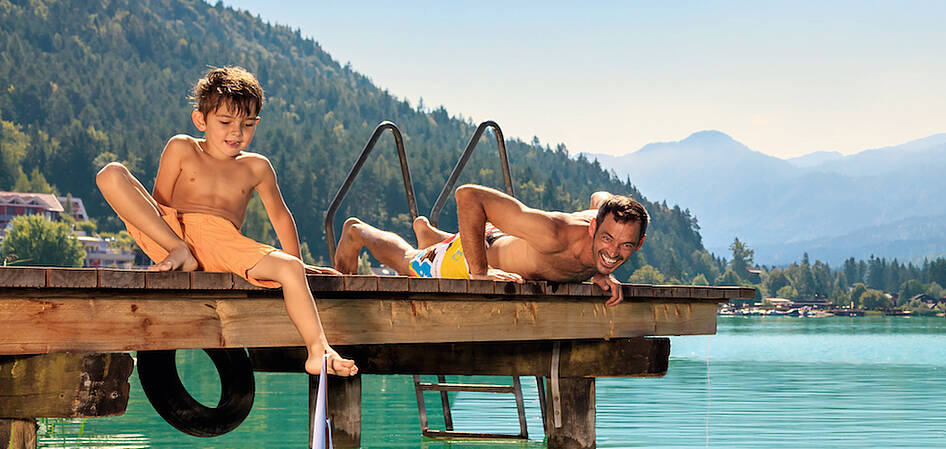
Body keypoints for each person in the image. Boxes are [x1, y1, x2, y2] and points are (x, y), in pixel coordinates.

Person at [95, 66, 357, 377]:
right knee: (110, 173)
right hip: (170, 234)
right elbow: (157, 203)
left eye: (247, 124)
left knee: (289, 268)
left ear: (256, 124)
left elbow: (280, 215)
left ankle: (318, 351)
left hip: (221, 242)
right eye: (225, 122)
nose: (236, 132)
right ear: (200, 120)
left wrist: (295, 264)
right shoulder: (182, 147)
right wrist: (173, 243)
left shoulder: (257, 167)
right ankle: (180, 252)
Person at [331, 185, 647, 306]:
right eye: (606, 239)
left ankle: (431, 235)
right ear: (593, 228)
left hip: (501, 238)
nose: (614, 252)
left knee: (438, 249)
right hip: (475, 253)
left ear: (639, 242)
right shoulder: (556, 234)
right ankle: (358, 232)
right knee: (410, 264)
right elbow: (468, 195)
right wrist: (480, 273)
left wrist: (598, 270)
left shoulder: (606, 218)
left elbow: (601, 197)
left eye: (625, 246)